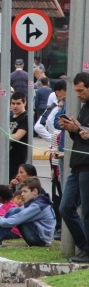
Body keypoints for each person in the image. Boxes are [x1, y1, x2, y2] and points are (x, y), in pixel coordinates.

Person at [58, 72, 89, 263]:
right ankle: (84, 246)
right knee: (66, 207)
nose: (78, 94)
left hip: (87, 166)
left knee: (87, 211)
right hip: (76, 165)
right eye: (76, 91)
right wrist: (72, 128)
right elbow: (80, 136)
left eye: (81, 91)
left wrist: (79, 129)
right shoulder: (84, 108)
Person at [0, 177, 55, 250]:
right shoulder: (35, 202)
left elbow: (18, 218)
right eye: (22, 191)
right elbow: (16, 215)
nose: (22, 194)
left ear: (34, 191)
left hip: (40, 240)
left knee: (16, 212)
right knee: (13, 210)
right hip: (37, 236)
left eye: (25, 191)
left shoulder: (38, 205)